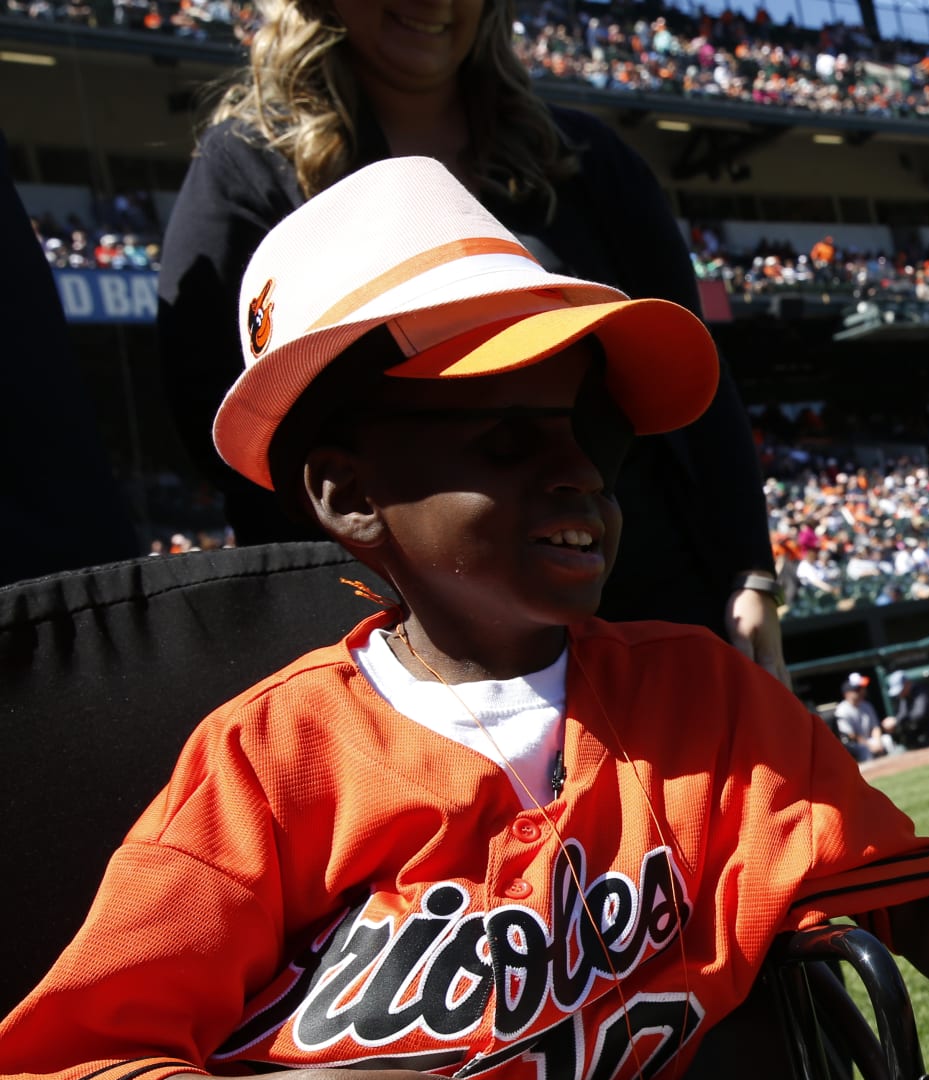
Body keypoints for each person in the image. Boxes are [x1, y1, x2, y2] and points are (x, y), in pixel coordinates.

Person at [0, 159, 929, 1080]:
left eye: (588, 435)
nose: (575, 473)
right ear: (346, 492)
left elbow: (906, 890)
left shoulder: (693, 692)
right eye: (505, 441)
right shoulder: (273, 755)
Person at [156, 0, 790, 679]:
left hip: (641, 596)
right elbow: (224, 426)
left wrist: (749, 570)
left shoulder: (586, 157)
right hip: (411, 639)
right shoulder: (248, 166)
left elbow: (699, 378)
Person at [834, 671, 892, 762]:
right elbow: (852, 736)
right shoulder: (841, 710)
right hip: (855, 744)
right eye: (857, 689)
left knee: (887, 740)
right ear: (848, 693)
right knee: (864, 750)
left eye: (861, 688)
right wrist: (870, 745)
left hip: (870, 739)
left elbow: (875, 727)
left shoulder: (866, 705)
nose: (862, 691)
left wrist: (878, 742)